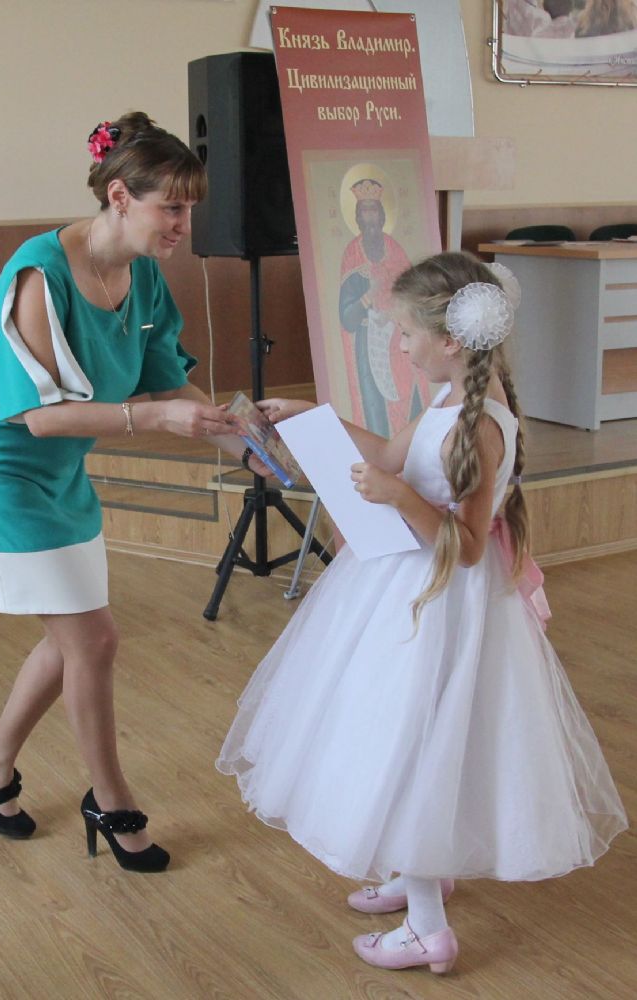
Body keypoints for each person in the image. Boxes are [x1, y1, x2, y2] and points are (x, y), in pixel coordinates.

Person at [217, 251, 627, 973]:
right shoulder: (446, 403)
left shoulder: (479, 427)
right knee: (396, 734)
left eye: (406, 332)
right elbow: (389, 454)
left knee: (413, 747)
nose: (400, 346)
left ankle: (427, 928)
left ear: (449, 339)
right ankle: (417, 872)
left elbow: (466, 547)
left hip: (440, 603)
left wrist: (400, 497)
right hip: (405, 587)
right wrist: (314, 419)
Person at [0, 111, 267, 873]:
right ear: (120, 197)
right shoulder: (38, 275)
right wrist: (153, 418)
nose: (183, 224)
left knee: (73, 639)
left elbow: (166, 380)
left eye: (189, 208)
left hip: (61, 469)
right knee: (93, 639)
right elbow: (38, 415)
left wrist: (244, 441)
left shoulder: (143, 274)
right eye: (171, 208)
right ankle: (111, 799)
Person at [339, 178, 426, 437]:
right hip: (369, 346)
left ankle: (410, 451)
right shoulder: (352, 254)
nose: (370, 217)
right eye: (365, 210)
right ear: (358, 216)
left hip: (400, 340)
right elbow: (346, 318)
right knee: (375, 409)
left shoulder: (395, 249)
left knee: (410, 400)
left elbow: (414, 296)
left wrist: (394, 313)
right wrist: (368, 297)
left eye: (374, 210)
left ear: (382, 214)